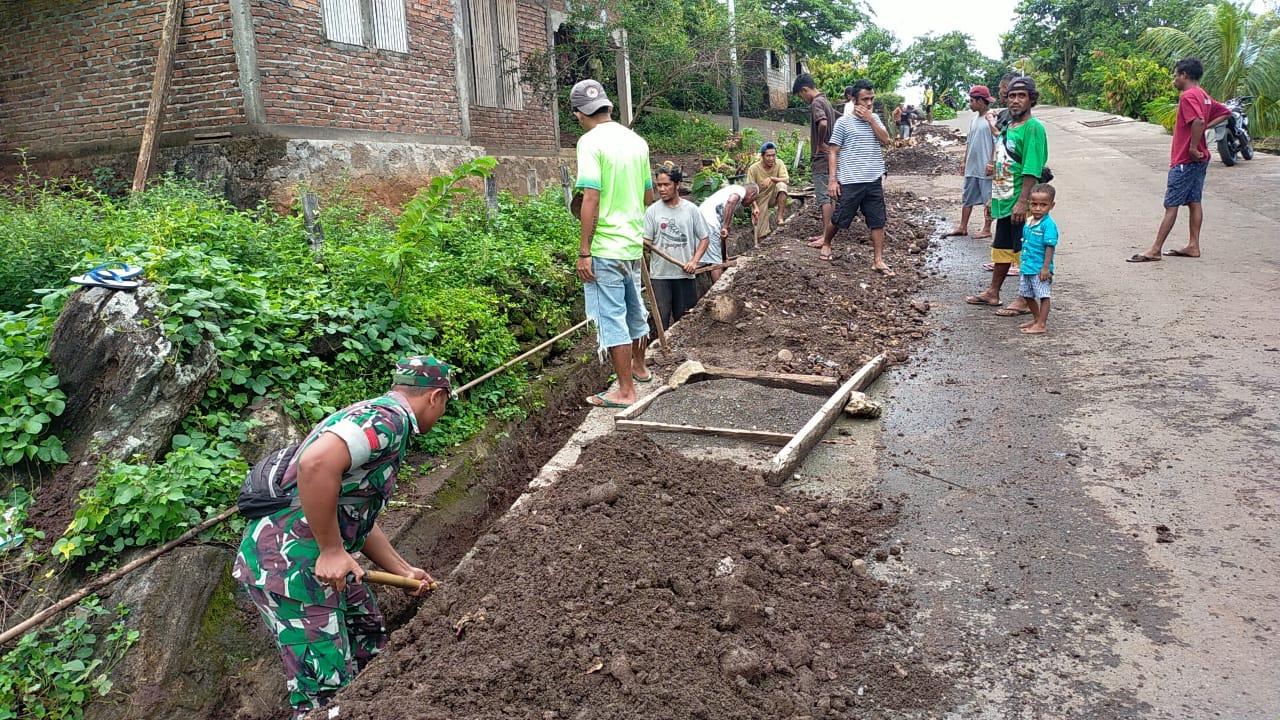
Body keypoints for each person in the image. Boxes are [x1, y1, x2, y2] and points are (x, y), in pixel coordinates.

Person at [233, 356, 452, 719]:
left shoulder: (374, 417)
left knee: (369, 637)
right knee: (325, 691)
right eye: (445, 404)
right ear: (436, 397)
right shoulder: (388, 420)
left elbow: (353, 511)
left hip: (320, 563)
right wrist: (332, 550)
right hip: (290, 569)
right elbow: (315, 464)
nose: (442, 413)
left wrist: (403, 569)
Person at [570, 79, 655, 408]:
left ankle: (624, 391)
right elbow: (648, 195)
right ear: (607, 106)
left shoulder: (590, 142)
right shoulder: (637, 142)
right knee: (636, 309)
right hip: (632, 245)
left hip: (605, 248)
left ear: (579, 114)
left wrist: (584, 250)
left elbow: (591, 196)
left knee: (612, 316)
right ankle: (640, 369)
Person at [1128, 57, 1232, 262]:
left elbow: (1198, 121)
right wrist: (1204, 130)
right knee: (1194, 201)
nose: (1174, 80)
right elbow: (1225, 113)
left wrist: (1193, 146)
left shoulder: (1188, 96)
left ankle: (1155, 249)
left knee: (1171, 204)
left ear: (1184, 75)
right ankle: (1194, 245)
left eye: (1175, 75)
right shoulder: (1203, 95)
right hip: (1201, 159)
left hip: (1186, 159)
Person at [965, 76, 1047, 316]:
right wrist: (993, 197)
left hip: (1021, 200)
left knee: (1026, 251)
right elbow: (1003, 160)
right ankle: (993, 292)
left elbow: (1032, 167)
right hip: (1005, 197)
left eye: (1021, 96)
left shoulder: (1033, 128)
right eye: (1012, 96)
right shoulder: (1008, 126)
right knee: (1002, 247)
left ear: (1031, 99)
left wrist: (1023, 201)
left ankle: (1025, 298)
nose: (1015, 101)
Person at [818, 79, 894, 275]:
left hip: (873, 179)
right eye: (865, 99)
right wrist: (833, 180)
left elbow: (886, 140)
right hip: (851, 180)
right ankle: (827, 242)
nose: (869, 103)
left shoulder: (874, 118)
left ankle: (878, 259)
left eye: (872, 99)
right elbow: (833, 151)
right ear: (853, 99)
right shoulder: (843, 122)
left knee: (878, 220)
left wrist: (870, 119)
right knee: (840, 218)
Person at [644, 164, 710, 327]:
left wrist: (694, 261)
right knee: (662, 321)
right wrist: (643, 243)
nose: (662, 189)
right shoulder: (652, 212)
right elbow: (647, 243)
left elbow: (704, 238)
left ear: (677, 184)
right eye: (659, 185)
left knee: (686, 322)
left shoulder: (691, 210)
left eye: (666, 184)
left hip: (684, 275)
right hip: (660, 276)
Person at [792, 73, 839, 247]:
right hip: (832, 157)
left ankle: (826, 237)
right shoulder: (826, 101)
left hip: (822, 158)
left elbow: (823, 123)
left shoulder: (816, 103)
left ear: (805, 90)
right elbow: (839, 117)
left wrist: (820, 143)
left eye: (800, 95)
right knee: (831, 195)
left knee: (823, 197)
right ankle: (828, 233)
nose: (802, 99)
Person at [944, 86, 995, 239]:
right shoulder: (974, 120)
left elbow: (996, 142)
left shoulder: (991, 120)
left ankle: (987, 228)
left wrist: (992, 162)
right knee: (967, 196)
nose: (969, 104)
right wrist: (964, 161)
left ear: (980, 101)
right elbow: (969, 142)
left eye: (971, 101)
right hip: (972, 166)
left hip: (985, 166)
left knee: (988, 199)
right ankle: (963, 226)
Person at [1017, 183, 1059, 335]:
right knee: (1026, 294)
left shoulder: (1048, 225)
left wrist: (1046, 267)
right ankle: (1036, 318)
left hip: (1040, 268)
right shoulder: (1028, 222)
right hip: (1027, 266)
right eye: (1034, 204)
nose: (1038, 208)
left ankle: (1042, 323)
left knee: (1043, 295)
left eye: (1043, 205)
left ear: (1051, 206)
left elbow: (1050, 246)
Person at [698, 182, 759, 282]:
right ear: (751, 195)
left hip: (700, 218)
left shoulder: (732, 190)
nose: (750, 204)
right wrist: (725, 227)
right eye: (753, 199)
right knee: (716, 262)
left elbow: (723, 236)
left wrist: (725, 256)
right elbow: (731, 201)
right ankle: (718, 292)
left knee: (710, 256)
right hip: (709, 222)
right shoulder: (740, 192)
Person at [746, 142, 791, 240]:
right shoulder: (753, 169)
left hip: (773, 195)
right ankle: (762, 244)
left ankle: (779, 218)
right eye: (768, 156)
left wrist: (771, 178)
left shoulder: (779, 163)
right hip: (760, 198)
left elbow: (786, 179)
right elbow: (750, 191)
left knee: (782, 186)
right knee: (761, 231)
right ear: (762, 156)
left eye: (773, 155)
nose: (771, 158)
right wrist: (755, 207)